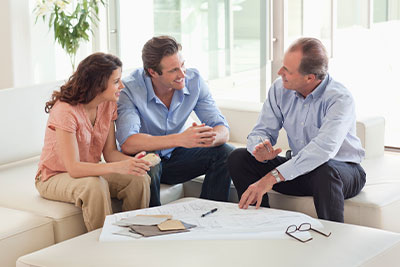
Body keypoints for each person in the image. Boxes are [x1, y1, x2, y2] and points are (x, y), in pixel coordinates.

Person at [228, 37, 366, 223]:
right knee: (239, 158)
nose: (279, 72)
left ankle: (332, 239)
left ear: (310, 78)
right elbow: (261, 130)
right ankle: (260, 223)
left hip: (341, 172)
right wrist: (259, 149)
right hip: (301, 170)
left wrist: (270, 179)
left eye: (287, 71)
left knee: (324, 171)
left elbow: (322, 151)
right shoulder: (279, 89)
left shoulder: (339, 99)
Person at [35, 53, 153, 231]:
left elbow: (110, 153)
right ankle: (104, 243)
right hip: (53, 176)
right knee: (94, 185)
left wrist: (132, 163)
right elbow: (74, 168)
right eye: (116, 81)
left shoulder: (108, 104)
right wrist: (116, 167)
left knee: (138, 178)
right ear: (98, 84)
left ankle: (134, 234)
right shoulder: (65, 111)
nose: (121, 86)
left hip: (88, 171)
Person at [116, 36, 234, 207]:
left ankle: (209, 216)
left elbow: (223, 129)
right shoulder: (130, 90)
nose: (182, 74)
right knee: (151, 162)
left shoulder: (194, 81)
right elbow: (128, 143)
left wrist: (205, 137)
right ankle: (154, 225)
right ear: (153, 72)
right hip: (145, 159)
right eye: (173, 71)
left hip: (177, 157)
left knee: (226, 152)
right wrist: (180, 139)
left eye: (183, 65)